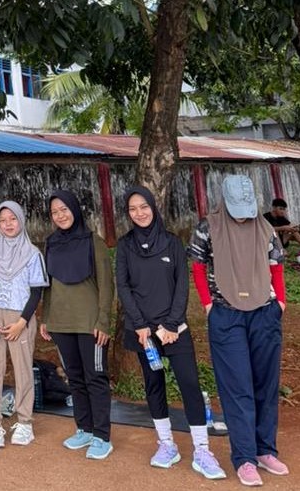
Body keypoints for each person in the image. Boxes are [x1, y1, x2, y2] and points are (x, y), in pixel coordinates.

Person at [116, 186, 226, 480]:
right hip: (143, 332)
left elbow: (181, 286)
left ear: (153, 207)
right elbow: (123, 287)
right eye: (133, 209)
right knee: (154, 385)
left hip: (175, 329)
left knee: (189, 384)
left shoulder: (172, 242)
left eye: (144, 207)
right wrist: (141, 325)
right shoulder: (125, 246)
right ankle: (166, 444)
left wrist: (172, 324)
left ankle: (202, 450)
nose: (139, 213)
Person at [188, 175, 288, 487]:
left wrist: (281, 302)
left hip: (264, 313)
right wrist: (208, 304)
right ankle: (244, 457)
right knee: (237, 386)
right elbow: (197, 265)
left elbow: (276, 265)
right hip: (226, 314)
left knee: (266, 384)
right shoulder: (208, 227)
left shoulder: (265, 228)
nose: (243, 215)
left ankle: (264, 449)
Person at [39, 190, 114, 460]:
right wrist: (46, 317)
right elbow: (49, 285)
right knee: (75, 378)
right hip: (61, 323)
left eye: (64, 209)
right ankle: (84, 428)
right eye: (55, 212)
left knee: (95, 378)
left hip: (90, 324)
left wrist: (103, 321)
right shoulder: (51, 243)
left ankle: (102, 436)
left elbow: (107, 285)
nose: (60, 215)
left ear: (74, 209)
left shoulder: (94, 242)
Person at [0, 201, 47, 449]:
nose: (8, 224)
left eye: (13, 219)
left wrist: (22, 322)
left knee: (22, 370)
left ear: (21, 220)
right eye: (3, 220)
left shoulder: (32, 253)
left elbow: (37, 291)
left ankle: (25, 422)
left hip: (21, 315)